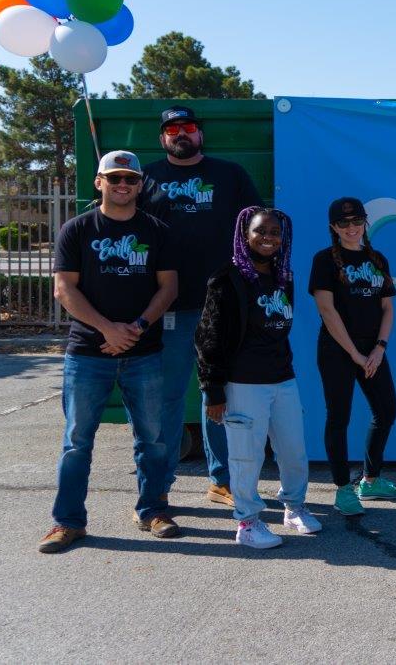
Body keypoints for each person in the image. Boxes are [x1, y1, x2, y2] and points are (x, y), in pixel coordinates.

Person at [39, 151, 180, 553]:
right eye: (114, 178)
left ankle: (152, 510)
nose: (123, 185)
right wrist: (107, 329)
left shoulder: (157, 231)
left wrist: (135, 328)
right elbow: (64, 288)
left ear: (139, 185)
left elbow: (168, 288)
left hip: (144, 350)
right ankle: (68, 522)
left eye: (130, 179)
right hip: (87, 352)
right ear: (99, 182)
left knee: (152, 438)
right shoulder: (77, 229)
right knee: (77, 441)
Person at [142, 104, 263, 509]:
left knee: (221, 396)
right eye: (172, 129)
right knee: (169, 399)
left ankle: (222, 481)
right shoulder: (146, 179)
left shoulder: (229, 175)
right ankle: (157, 489)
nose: (181, 134)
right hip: (170, 307)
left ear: (200, 135)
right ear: (163, 138)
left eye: (188, 127)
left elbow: (257, 231)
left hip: (223, 305)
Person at [195, 206, 321, 549]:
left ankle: (293, 507)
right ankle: (247, 523)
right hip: (243, 383)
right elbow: (208, 337)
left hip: (282, 378)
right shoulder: (226, 278)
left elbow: (280, 331)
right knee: (246, 456)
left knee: (294, 450)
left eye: (274, 233)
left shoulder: (284, 277)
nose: (268, 238)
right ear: (244, 234)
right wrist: (214, 390)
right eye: (260, 231)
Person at [309, 197, 396, 516]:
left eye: (357, 222)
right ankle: (342, 489)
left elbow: (387, 307)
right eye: (344, 223)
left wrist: (379, 348)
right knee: (339, 417)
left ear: (366, 223)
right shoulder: (324, 260)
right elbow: (326, 309)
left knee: (387, 410)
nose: (351, 228)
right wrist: (353, 352)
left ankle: (371, 479)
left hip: (372, 349)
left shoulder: (377, 258)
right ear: (333, 227)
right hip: (338, 349)